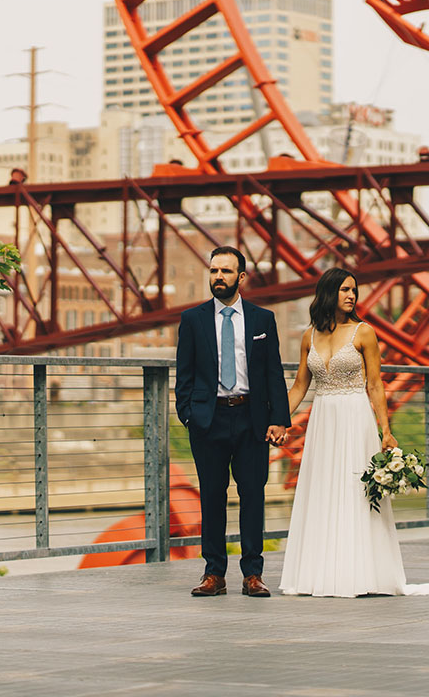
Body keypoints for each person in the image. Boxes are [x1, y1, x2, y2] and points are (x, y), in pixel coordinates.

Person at [279, 268, 429, 597]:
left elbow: (375, 384)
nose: (352, 296)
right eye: (344, 290)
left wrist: (386, 431)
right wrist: (279, 419)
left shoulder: (365, 333)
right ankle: (319, 574)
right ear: (328, 293)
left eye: (354, 290)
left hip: (354, 417)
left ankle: (360, 573)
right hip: (323, 419)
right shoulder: (309, 336)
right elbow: (298, 387)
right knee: (322, 489)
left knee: (355, 491)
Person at [175, 246, 291, 597]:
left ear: (241, 277)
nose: (218, 277)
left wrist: (279, 419)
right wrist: (189, 415)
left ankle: (252, 574)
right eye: (213, 271)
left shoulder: (262, 320)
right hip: (208, 419)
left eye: (225, 271)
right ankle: (214, 574)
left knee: (252, 495)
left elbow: (273, 372)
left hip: (251, 417)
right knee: (211, 496)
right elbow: (185, 373)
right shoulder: (192, 320)